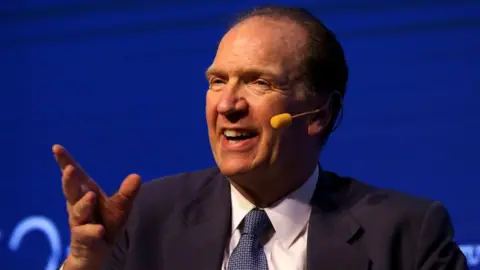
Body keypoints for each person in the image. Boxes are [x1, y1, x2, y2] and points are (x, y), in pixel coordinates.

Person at [54, 5, 468, 270]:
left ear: (318, 115)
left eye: (259, 83)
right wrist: (83, 262)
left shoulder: (409, 236)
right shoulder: (146, 219)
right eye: (217, 82)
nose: (227, 104)